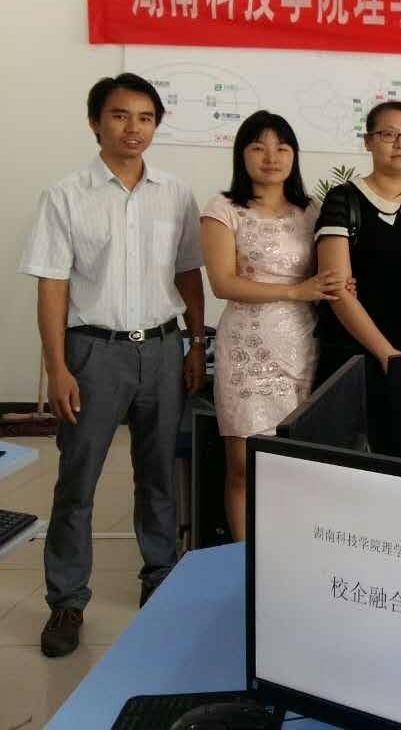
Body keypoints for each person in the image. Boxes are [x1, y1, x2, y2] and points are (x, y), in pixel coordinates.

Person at [19, 73, 205, 657]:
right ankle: (67, 601)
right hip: (93, 353)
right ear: (95, 122)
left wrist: (195, 343)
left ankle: (160, 580)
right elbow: (52, 286)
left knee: (159, 475)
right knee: (78, 480)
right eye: (120, 115)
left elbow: (187, 274)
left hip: (163, 348)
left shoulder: (175, 194)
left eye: (145, 118)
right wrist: (57, 367)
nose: (133, 128)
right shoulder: (65, 195)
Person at [201, 111, 342, 542]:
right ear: (241, 154)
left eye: (282, 147)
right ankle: (242, 558)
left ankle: (290, 550)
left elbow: (326, 272)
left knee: (296, 462)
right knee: (244, 464)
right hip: (248, 348)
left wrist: (338, 283)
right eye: (258, 147)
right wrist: (296, 291)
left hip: (303, 344)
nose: (271, 157)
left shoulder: (311, 210)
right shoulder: (223, 209)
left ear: (294, 155)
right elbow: (223, 283)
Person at [313, 101, 401, 451]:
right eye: (388, 134)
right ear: (368, 141)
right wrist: (387, 355)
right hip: (356, 357)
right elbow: (337, 289)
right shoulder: (344, 199)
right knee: (355, 463)